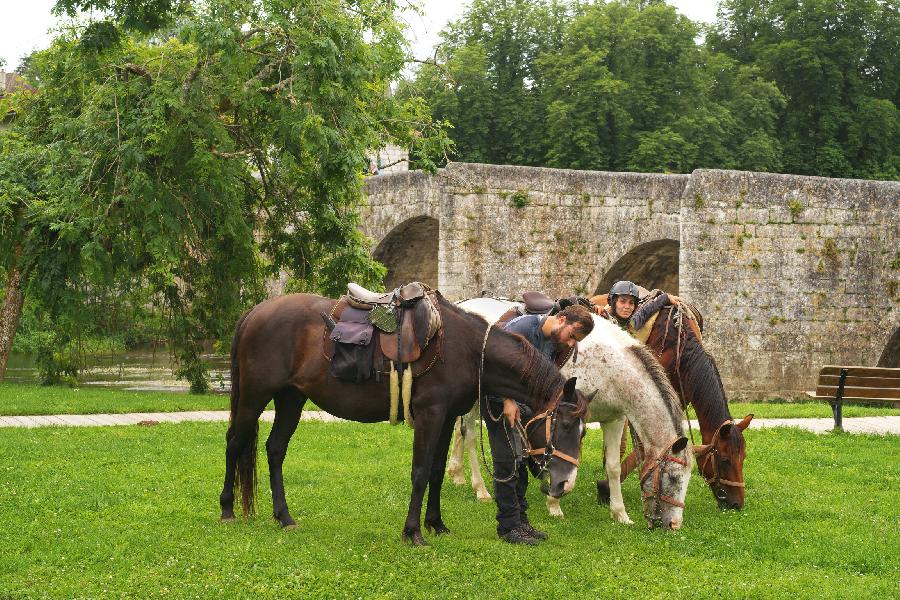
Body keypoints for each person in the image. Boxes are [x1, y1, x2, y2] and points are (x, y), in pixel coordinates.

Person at [483, 304, 595, 545]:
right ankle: (508, 527)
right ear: (561, 319)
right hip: (498, 400)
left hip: (521, 404)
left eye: (577, 340)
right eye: (573, 335)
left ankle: (521, 521)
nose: (572, 343)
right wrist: (507, 400)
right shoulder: (522, 329)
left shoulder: (554, 343)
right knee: (508, 460)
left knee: (522, 461)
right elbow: (492, 364)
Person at [598, 280, 681, 336]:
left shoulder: (632, 324)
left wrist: (664, 298)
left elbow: (645, 312)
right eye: (622, 301)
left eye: (631, 303)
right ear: (613, 303)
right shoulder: (600, 318)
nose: (627, 307)